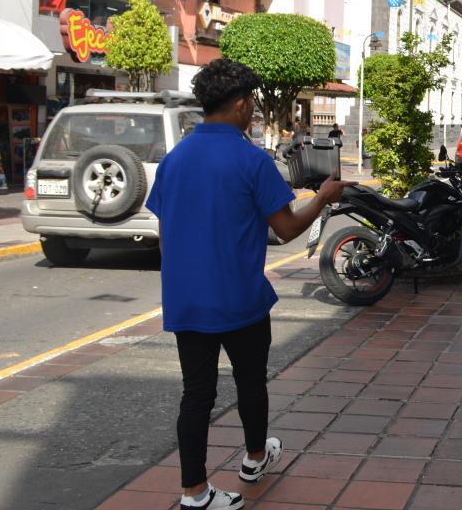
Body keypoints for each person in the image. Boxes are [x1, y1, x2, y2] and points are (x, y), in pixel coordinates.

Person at [147, 59, 349, 510]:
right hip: (239, 298)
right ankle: (255, 459)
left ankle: (194, 491)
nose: (254, 109)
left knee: (196, 394)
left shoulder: (174, 160)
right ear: (239, 105)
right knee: (250, 382)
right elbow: (288, 227)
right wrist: (322, 197)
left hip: (188, 301)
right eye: (252, 102)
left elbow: (166, 237)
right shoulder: (250, 160)